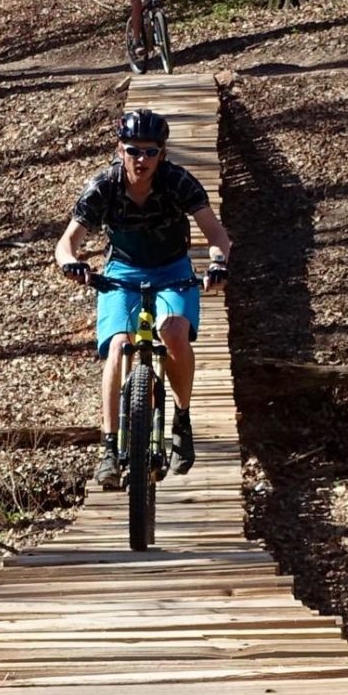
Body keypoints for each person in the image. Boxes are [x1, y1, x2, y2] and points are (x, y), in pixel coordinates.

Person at [55, 106, 232, 485]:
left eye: (151, 151)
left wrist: (217, 265)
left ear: (162, 154)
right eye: (133, 150)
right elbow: (67, 242)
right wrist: (72, 263)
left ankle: (181, 420)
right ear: (120, 150)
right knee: (118, 346)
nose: (142, 159)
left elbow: (217, 235)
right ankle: (107, 447)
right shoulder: (103, 186)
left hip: (172, 268)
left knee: (174, 334)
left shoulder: (179, 182)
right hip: (122, 269)